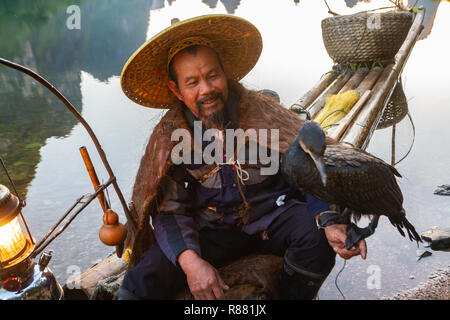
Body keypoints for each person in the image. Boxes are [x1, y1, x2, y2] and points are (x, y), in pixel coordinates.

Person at [117, 15, 367, 300]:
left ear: (226, 72)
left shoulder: (263, 112)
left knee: (315, 237)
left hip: (271, 219)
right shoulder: (171, 136)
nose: (206, 89)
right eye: (192, 82)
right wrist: (192, 263)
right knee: (139, 281)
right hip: (212, 229)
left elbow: (308, 171)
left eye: (212, 76)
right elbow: (171, 211)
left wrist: (328, 219)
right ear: (176, 90)